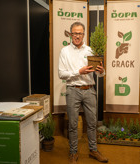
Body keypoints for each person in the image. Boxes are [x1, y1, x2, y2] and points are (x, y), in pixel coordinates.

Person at [58, 22, 108, 164]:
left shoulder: (91, 51)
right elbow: (61, 74)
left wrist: (101, 71)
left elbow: (100, 75)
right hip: (73, 90)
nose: (77, 36)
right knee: (73, 124)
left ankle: (93, 150)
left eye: (79, 33)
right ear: (70, 34)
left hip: (89, 90)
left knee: (92, 123)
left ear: (84, 34)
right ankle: (73, 153)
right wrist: (78, 72)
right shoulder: (65, 51)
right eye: (74, 33)